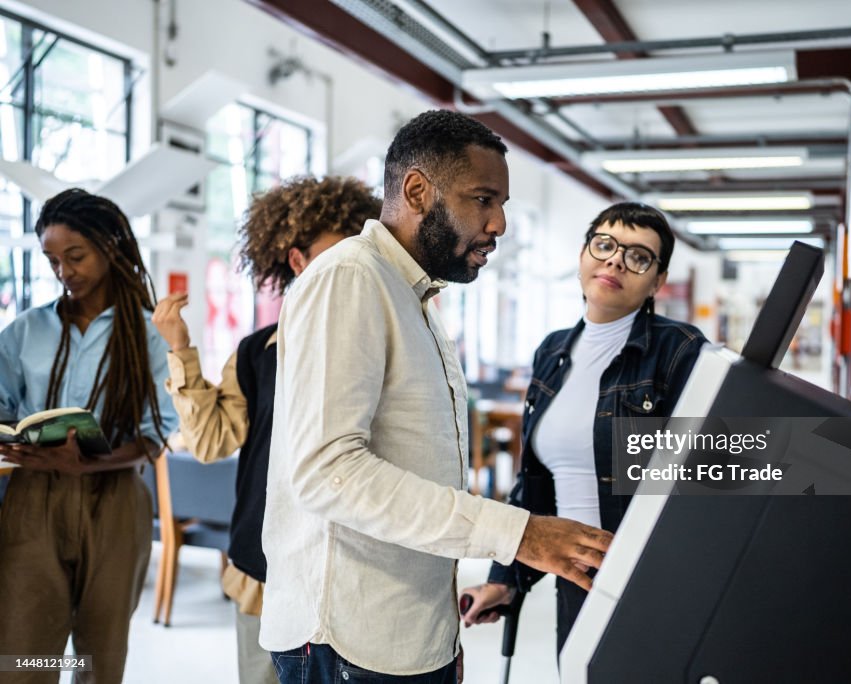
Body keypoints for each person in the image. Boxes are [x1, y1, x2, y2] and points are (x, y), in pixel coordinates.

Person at [260, 109, 613, 684]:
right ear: (417, 191)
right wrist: (519, 534)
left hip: (408, 632)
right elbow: (328, 472)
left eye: (502, 204)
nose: (499, 223)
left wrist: (450, 617)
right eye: (483, 200)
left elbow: (415, 467)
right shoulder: (350, 278)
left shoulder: (413, 296)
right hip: (349, 641)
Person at [151, 176, 381, 684]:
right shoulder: (258, 353)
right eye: (337, 254)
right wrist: (181, 350)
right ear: (297, 260)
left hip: (352, 570)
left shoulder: (379, 342)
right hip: (264, 566)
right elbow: (211, 442)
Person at [460, 202, 708, 655]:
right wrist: (504, 580)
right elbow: (535, 485)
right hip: (576, 580)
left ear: (657, 281)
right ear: (583, 255)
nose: (615, 261)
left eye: (638, 256)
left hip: (652, 580)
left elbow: (706, 474)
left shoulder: (680, 350)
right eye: (604, 245)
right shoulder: (551, 353)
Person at [0, 188, 178, 684]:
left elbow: (156, 432)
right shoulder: (26, 331)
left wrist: (90, 462)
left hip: (115, 501)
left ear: (109, 247)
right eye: (53, 260)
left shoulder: (149, 335)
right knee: (22, 653)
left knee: (99, 657)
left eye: (75, 256)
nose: (64, 271)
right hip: (32, 500)